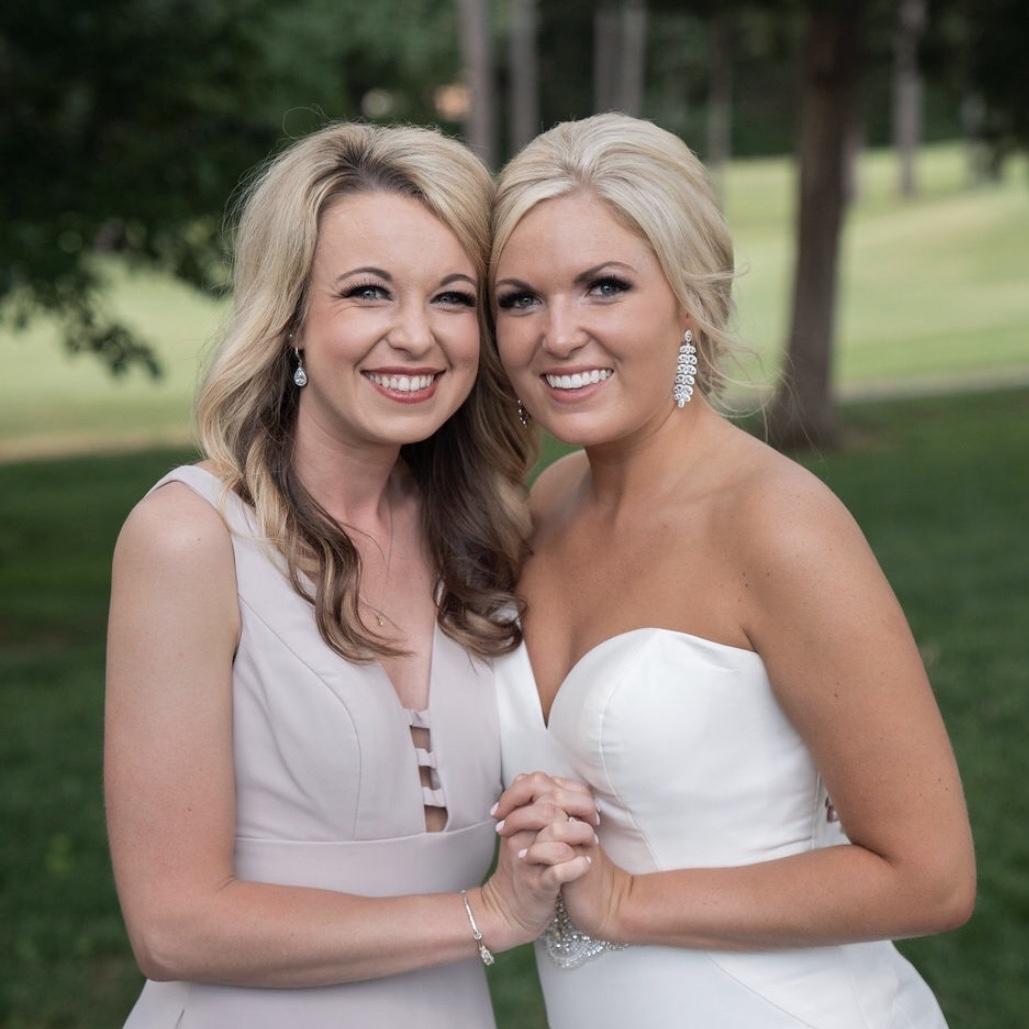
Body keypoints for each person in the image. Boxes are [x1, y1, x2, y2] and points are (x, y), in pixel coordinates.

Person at [489, 113, 976, 1028]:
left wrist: (627, 900)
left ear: (687, 299)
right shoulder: (546, 506)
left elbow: (930, 876)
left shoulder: (776, 525)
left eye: (603, 286)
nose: (557, 334)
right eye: (519, 299)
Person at [104, 121, 594, 1029]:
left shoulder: (486, 536)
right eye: (368, 291)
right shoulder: (190, 538)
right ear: (291, 316)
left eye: (451, 297)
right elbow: (172, 926)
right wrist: (485, 914)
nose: (415, 335)